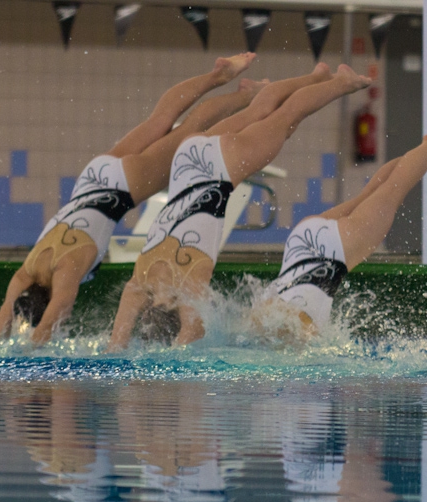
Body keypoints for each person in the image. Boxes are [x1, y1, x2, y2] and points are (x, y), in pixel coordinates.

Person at [0, 53, 261, 345]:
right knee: (161, 120)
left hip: (119, 190)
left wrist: (28, 350)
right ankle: (216, 76)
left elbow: (49, 326)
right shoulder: (23, 274)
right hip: (94, 175)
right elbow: (0, 327)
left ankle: (246, 96)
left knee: (192, 131)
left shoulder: (65, 274)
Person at [107, 64, 373, 352]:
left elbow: (189, 341)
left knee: (286, 117)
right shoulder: (137, 284)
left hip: (219, 165)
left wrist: (175, 349)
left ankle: (341, 83)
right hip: (186, 159)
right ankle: (315, 77)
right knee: (259, 112)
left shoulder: (188, 288)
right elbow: (115, 345)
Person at [255, 122, 427, 338]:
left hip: (333, 251)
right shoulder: (268, 315)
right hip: (301, 240)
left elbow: (303, 331)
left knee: (394, 189)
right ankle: (426, 150)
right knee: (374, 193)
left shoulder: (292, 335)